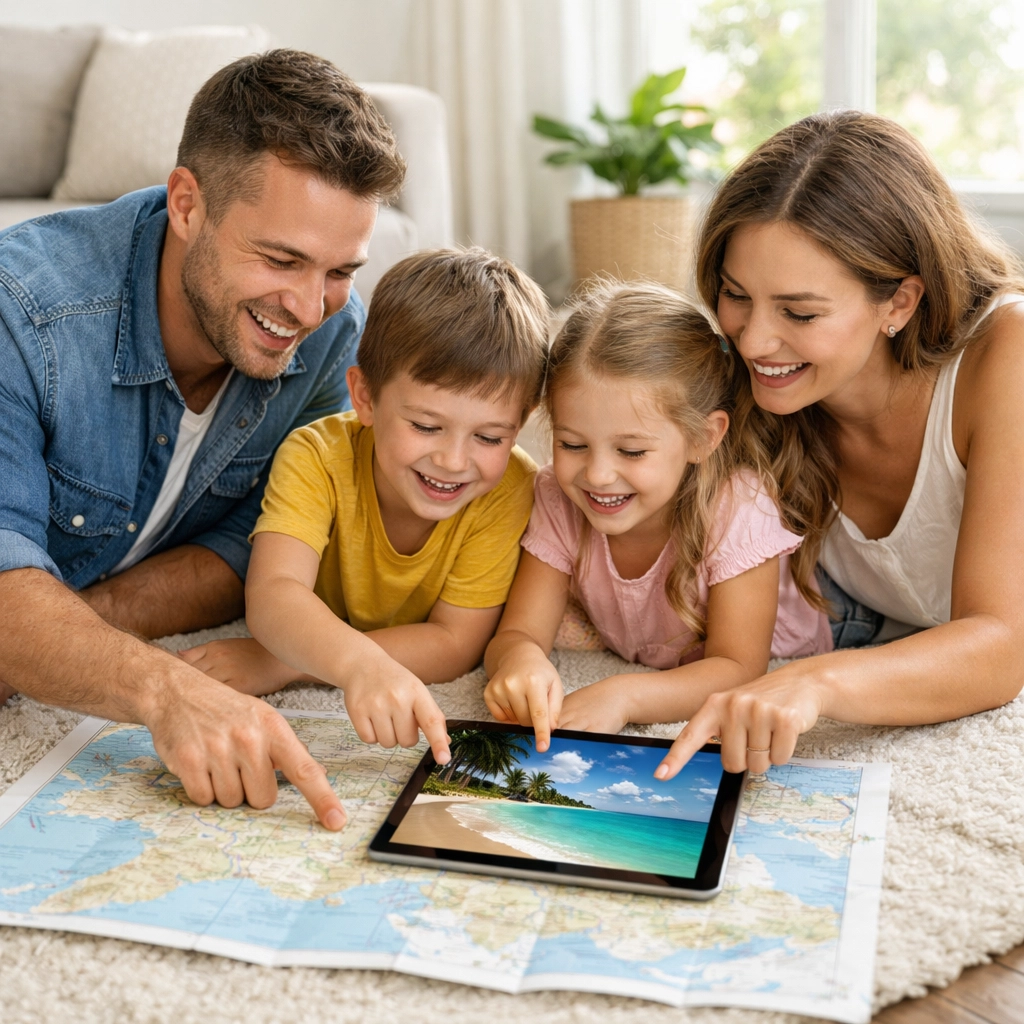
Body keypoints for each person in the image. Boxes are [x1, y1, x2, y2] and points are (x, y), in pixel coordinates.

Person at [0, 49, 406, 830]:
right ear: (187, 205)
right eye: (281, 259)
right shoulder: (24, 314)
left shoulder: (331, 337)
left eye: (339, 271)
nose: (310, 308)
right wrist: (165, 688)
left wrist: (88, 621)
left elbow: (269, 538)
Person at [658, 110, 1024, 781]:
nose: (754, 340)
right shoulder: (754, 388)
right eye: (736, 295)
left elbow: (1001, 648)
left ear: (899, 303)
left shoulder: (1007, 356)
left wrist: (814, 682)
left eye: (800, 312)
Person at [182, 248, 550, 761]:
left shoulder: (510, 486)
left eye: (490, 437)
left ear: (521, 422)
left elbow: (454, 643)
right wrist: (357, 665)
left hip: (314, 651)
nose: (453, 461)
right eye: (426, 426)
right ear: (366, 397)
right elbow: (273, 595)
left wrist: (282, 664)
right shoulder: (315, 455)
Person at [483, 282, 831, 754]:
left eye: (631, 451)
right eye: (572, 444)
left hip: (792, 644)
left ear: (702, 438)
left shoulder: (739, 507)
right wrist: (519, 662)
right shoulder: (556, 496)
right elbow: (518, 632)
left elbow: (738, 667)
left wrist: (624, 695)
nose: (598, 474)